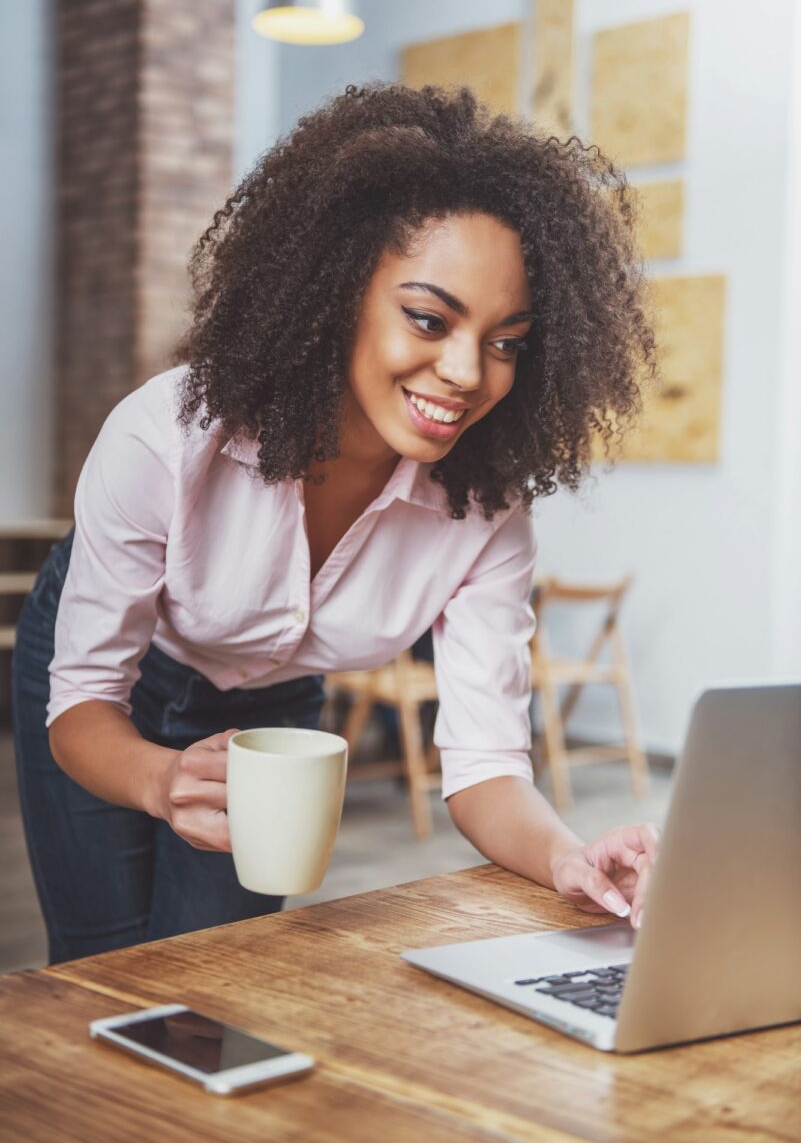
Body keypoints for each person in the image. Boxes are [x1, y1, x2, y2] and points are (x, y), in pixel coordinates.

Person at [12, 83, 660, 965]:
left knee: (219, 975)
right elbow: (83, 700)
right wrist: (164, 778)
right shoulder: (164, 441)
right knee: (96, 968)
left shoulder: (483, 508)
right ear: (334, 289)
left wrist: (566, 858)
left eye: (506, 340)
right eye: (428, 319)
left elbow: (486, 769)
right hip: (116, 686)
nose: (468, 371)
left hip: (269, 704)